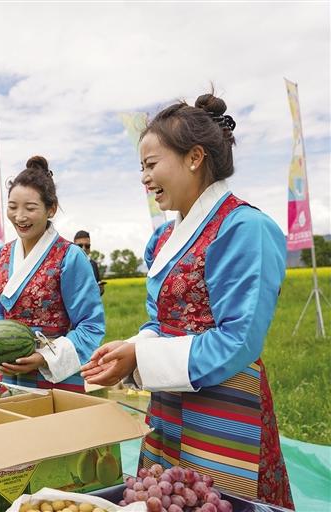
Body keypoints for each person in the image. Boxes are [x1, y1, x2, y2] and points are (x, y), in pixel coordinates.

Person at [81, 93, 294, 508]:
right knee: (163, 496)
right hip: (168, 400)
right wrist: (133, 348)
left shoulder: (245, 228)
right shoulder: (163, 238)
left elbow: (239, 340)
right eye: (141, 167)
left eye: (151, 164)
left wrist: (142, 358)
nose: (144, 178)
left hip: (225, 406)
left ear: (194, 157)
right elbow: (159, 321)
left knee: (216, 500)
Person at [0, 156, 105, 393]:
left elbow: (90, 324)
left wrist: (43, 357)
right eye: (12, 207)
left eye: (30, 208)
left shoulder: (69, 256)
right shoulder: (2, 255)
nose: (19, 217)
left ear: (51, 209)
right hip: (9, 372)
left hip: (56, 376)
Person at [73, 230, 105, 296]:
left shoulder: (93, 264)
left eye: (87, 246)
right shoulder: (66, 264)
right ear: (73, 246)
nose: (84, 248)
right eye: (80, 245)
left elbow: (98, 288)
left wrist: (100, 289)